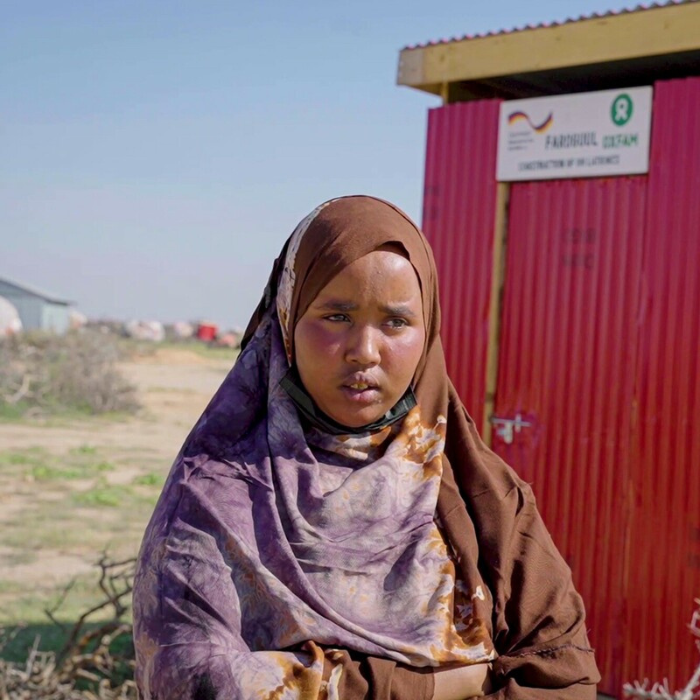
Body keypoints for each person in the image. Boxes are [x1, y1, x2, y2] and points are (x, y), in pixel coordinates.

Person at [133, 196, 600, 700]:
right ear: (287, 320)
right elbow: (196, 684)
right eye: (336, 316)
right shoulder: (213, 500)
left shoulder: (481, 498)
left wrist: (321, 683)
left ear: (428, 335)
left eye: (396, 322)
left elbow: (562, 675)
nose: (365, 350)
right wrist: (444, 684)